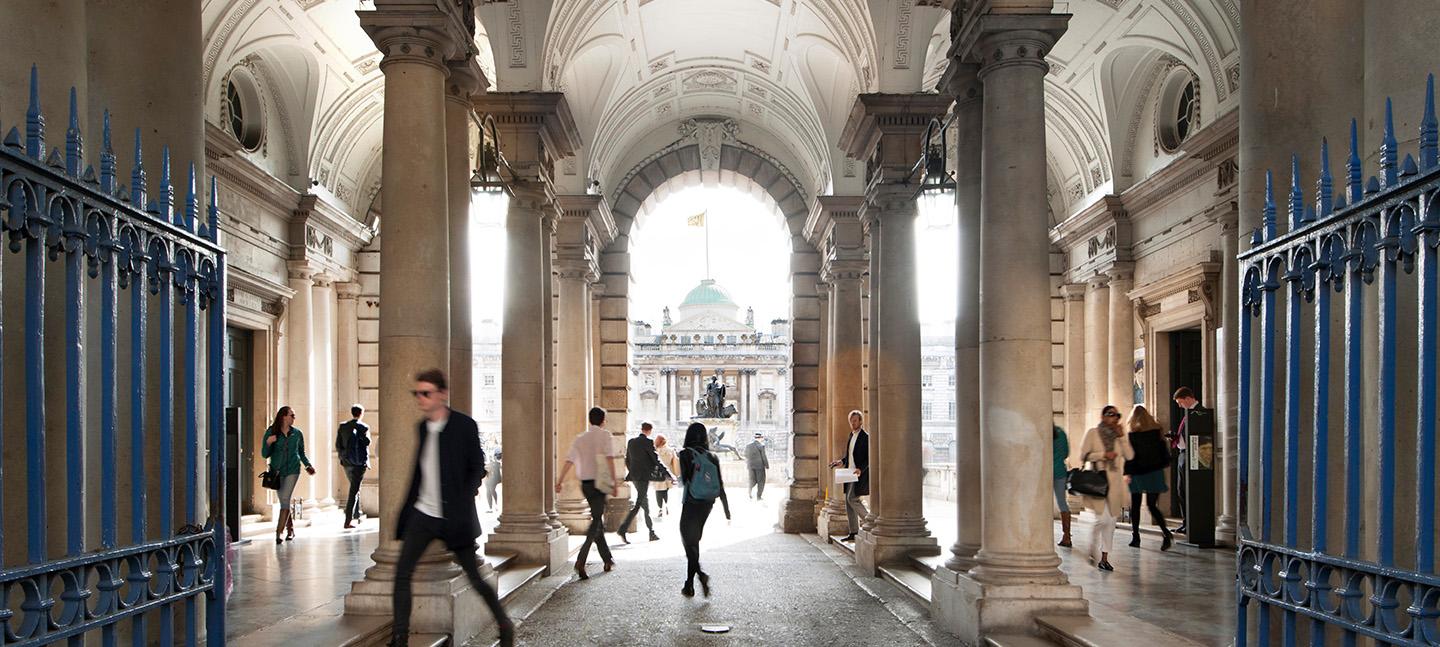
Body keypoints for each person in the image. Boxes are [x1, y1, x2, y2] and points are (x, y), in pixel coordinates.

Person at [389, 369, 512, 647]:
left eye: (426, 393)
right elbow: (419, 472)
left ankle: (504, 623)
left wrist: (462, 500)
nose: (420, 398)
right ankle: (399, 638)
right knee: (402, 572)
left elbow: (477, 467)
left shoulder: (464, 425)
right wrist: (406, 513)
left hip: (454, 516)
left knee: (474, 576)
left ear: (442, 395)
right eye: (417, 393)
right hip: (424, 514)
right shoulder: (422, 426)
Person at [555, 407, 619, 580]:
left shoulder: (580, 438)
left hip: (586, 485)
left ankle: (607, 559)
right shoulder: (605, 436)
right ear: (603, 420)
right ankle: (581, 560)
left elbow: (569, 460)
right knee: (597, 520)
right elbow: (610, 459)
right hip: (601, 483)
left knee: (597, 520)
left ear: (589, 420)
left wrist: (560, 480)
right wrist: (613, 482)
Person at [678, 421, 731, 597]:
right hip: (707, 504)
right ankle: (689, 584)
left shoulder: (685, 454)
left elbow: (684, 479)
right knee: (695, 542)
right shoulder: (712, 456)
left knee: (688, 542)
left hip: (691, 502)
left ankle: (700, 576)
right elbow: (720, 485)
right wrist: (727, 510)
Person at [1079, 405, 1133, 572]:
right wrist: (1102, 455)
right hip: (1099, 482)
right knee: (1102, 520)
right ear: (1103, 417)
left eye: (1117, 415)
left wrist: (1122, 437)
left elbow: (1130, 456)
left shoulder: (1118, 437)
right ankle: (1092, 544)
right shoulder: (1093, 433)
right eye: (1111, 415)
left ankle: (1104, 558)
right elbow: (1083, 455)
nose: (1114, 418)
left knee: (1111, 523)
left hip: (1115, 485)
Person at [261, 406, 315, 545]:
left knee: (285, 498)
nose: (294, 418)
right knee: (284, 501)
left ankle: (278, 532)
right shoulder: (271, 432)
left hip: (293, 470)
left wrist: (307, 465)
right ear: (284, 416)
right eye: (292, 415)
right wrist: (268, 442)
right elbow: (264, 454)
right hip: (277, 472)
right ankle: (290, 529)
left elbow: (301, 453)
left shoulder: (297, 434)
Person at [1123, 404, 1174, 551]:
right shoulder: (1157, 432)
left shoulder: (1132, 435)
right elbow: (1164, 452)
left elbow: (1130, 457)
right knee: (1152, 505)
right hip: (1155, 472)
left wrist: (1127, 472)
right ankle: (1166, 533)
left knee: (1136, 505)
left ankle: (1136, 537)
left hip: (1138, 473)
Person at [618, 421, 669, 543]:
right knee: (639, 503)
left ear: (642, 429)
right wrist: (667, 474)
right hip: (643, 477)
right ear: (650, 430)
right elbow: (656, 460)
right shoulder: (648, 442)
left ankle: (651, 532)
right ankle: (623, 528)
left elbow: (627, 460)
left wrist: (633, 472)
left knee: (645, 504)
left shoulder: (631, 442)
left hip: (635, 477)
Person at [1169, 386, 1211, 534]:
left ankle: (1193, 524)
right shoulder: (1188, 414)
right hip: (1183, 454)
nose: (1180, 406)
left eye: (1180, 402)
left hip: (1193, 456)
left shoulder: (1199, 412)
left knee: (1190, 491)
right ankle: (1186, 522)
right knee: (1181, 491)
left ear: (1188, 398)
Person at [828, 410, 869, 543]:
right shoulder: (851, 435)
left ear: (861, 421)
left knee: (852, 498)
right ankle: (853, 532)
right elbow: (850, 455)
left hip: (858, 474)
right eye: (851, 421)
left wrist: (860, 469)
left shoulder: (865, 437)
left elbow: (869, 457)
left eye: (855, 420)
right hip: (849, 473)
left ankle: (869, 521)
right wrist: (841, 461)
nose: (853, 423)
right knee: (848, 501)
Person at [335, 404, 370, 529]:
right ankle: (348, 519)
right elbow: (367, 443)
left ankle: (357, 514)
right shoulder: (364, 427)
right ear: (361, 413)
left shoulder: (343, 426)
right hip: (359, 464)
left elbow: (338, 445)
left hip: (347, 463)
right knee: (354, 490)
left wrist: (342, 457)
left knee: (355, 487)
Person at [1053, 424, 1072, 548]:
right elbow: (1066, 453)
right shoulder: (1061, 432)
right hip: (1060, 471)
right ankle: (1067, 535)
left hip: (1044, 472)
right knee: (1062, 503)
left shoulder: (1042, 431)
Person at [653, 434, 678, 517]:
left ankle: (660, 509)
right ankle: (666, 507)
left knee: (658, 492)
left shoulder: (656, 451)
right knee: (665, 491)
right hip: (668, 474)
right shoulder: (671, 450)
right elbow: (675, 463)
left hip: (658, 474)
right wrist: (675, 475)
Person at [744, 432, 769, 500]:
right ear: (760, 438)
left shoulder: (748, 446)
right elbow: (764, 456)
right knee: (761, 481)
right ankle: (759, 496)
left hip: (750, 466)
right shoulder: (761, 446)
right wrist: (766, 465)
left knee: (752, 480)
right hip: (759, 466)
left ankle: (749, 493)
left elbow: (745, 455)